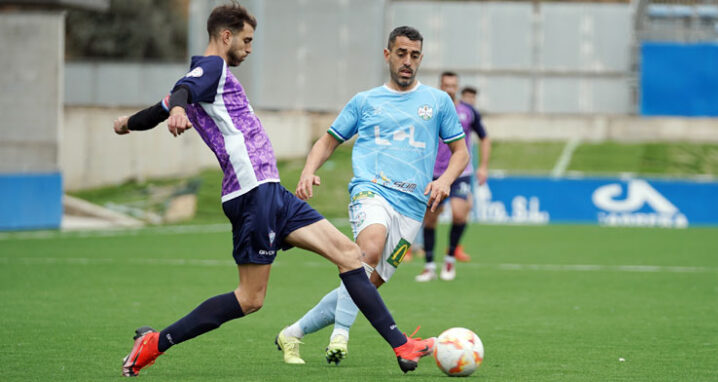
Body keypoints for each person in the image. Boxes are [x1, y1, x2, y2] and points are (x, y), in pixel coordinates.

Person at [114, 4, 435, 377]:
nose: (250, 49)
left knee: (351, 255)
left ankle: (401, 345)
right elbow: (181, 92)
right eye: (247, 40)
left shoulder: (207, 78)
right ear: (226, 36)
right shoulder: (210, 68)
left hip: (271, 192)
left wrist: (126, 124)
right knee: (250, 299)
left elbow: (162, 106)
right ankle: (155, 344)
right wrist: (178, 110)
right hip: (252, 194)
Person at [274, 26, 470, 366]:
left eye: (414, 55)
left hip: (412, 209)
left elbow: (461, 152)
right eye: (401, 54)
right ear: (387, 55)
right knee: (369, 249)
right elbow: (328, 140)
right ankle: (341, 335)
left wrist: (446, 180)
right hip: (371, 190)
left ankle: (292, 333)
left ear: (420, 58)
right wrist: (308, 170)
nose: (407, 61)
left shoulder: (438, 102)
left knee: (365, 287)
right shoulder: (365, 101)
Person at [415, 73, 490, 282]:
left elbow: (484, 138)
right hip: (434, 174)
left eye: (453, 85)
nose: (449, 88)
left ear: (457, 87)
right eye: (446, 85)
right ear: (440, 86)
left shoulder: (468, 111)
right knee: (430, 220)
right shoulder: (430, 110)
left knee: (459, 214)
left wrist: (483, 166)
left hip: (460, 173)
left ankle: (450, 258)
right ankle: (429, 266)